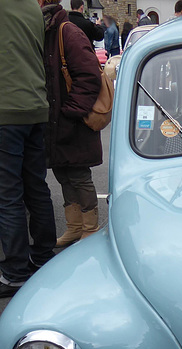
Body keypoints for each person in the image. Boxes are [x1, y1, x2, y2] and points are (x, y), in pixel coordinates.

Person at [0, 0, 56, 297]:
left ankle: (14, 272)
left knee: (8, 193)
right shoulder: (32, 7)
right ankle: (43, 256)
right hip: (35, 105)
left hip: (6, 108)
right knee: (36, 185)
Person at [39, 0, 102, 246]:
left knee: (78, 176)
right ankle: (75, 228)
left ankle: (90, 228)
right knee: (64, 174)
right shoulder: (48, 31)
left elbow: (89, 76)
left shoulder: (67, 31)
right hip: (59, 120)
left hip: (71, 120)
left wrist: (70, 112)